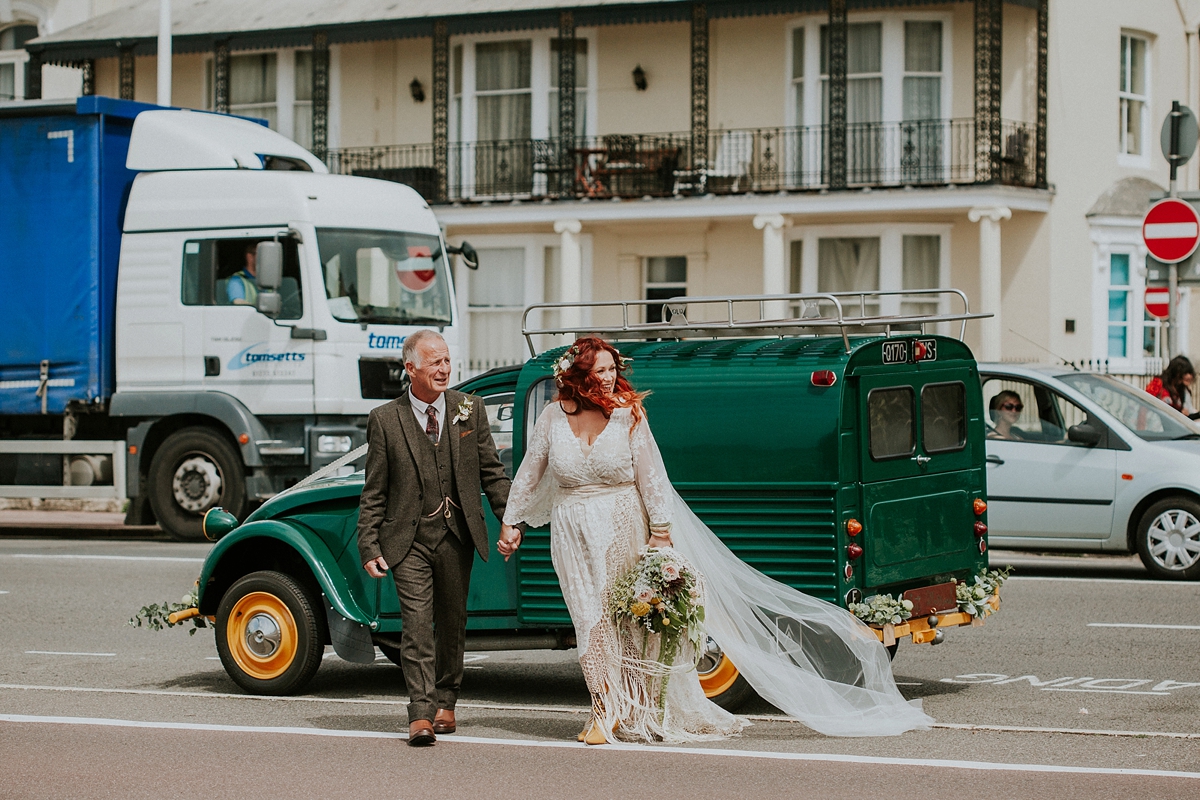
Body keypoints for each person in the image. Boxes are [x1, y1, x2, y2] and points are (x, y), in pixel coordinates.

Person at [499, 337, 932, 744]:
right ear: (578, 375)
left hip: (622, 523)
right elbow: (530, 471)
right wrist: (511, 522)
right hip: (572, 530)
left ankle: (627, 712)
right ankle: (606, 706)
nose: (610, 377)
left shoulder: (629, 413)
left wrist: (661, 533)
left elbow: (653, 478)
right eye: (600, 370)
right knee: (589, 620)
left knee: (628, 623)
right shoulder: (553, 416)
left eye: (613, 368)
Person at [357, 329, 519, 747]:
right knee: (416, 627)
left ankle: (447, 699)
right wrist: (369, 545)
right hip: (407, 541)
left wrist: (509, 518)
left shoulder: (471, 408)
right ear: (411, 368)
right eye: (435, 362)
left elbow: (492, 473)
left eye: (447, 361)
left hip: (456, 534)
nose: (444, 369)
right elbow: (373, 491)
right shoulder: (384, 419)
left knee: (452, 623)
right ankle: (420, 713)